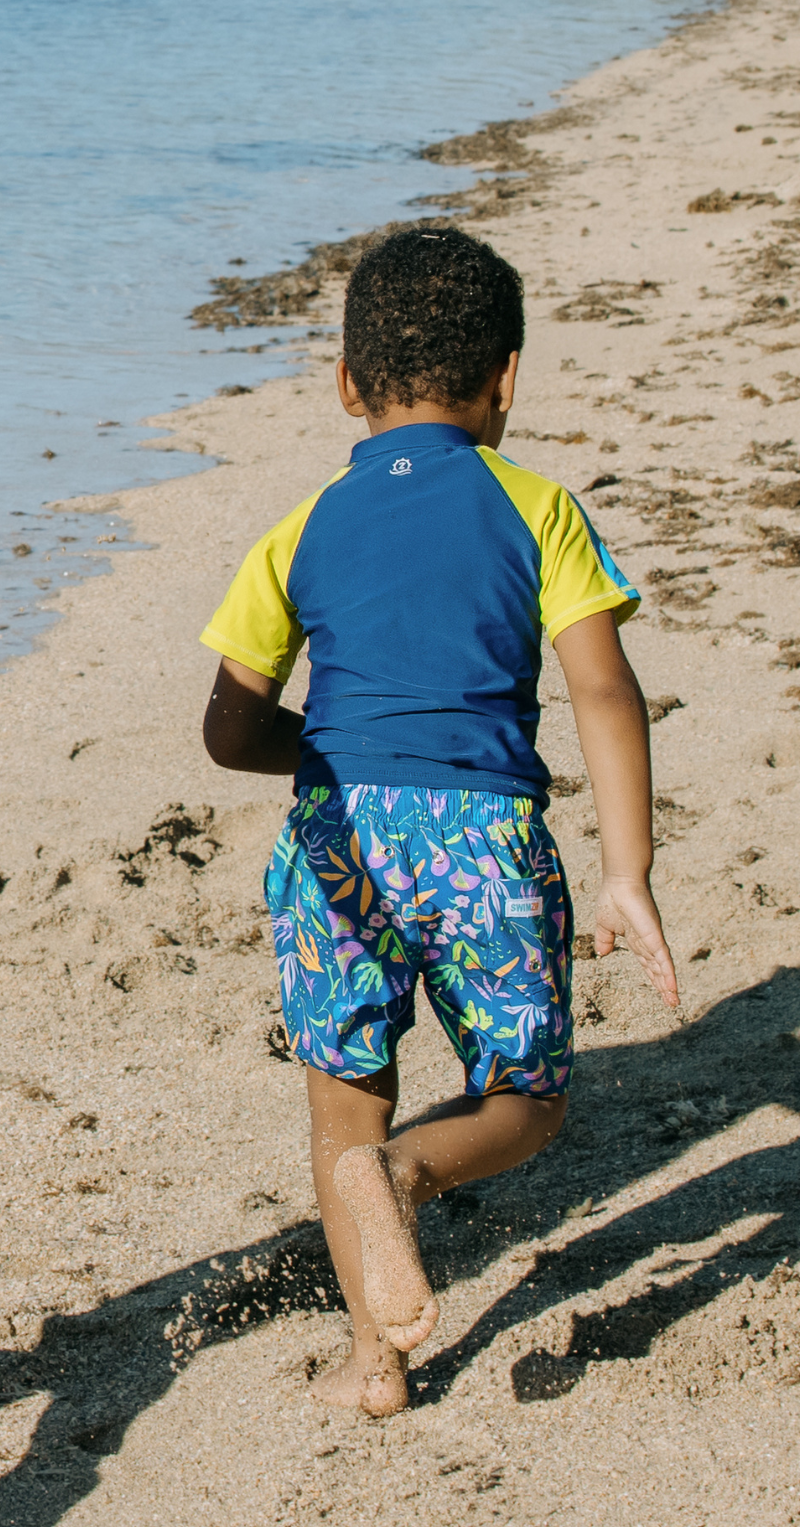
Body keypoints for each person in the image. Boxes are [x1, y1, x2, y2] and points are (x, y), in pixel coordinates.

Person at [198, 223, 678, 1418]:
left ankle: (378, 1361)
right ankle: (409, 1172)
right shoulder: (536, 508)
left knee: (339, 1102)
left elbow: (225, 728)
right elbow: (603, 689)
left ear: (348, 383)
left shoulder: (302, 527)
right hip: (483, 838)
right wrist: (629, 869)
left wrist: (329, 757)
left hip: (335, 842)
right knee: (525, 1093)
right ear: (508, 377)